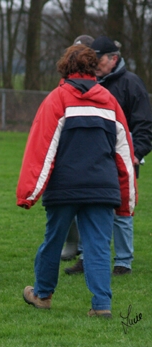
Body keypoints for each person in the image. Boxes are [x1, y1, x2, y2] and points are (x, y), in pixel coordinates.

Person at [17, 44, 137, 318]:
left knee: (53, 241)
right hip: (102, 189)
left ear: (65, 68)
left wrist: (28, 193)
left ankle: (43, 295)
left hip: (65, 188)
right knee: (98, 246)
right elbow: (124, 156)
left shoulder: (57, 100)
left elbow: (41, 149)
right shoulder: (110, 101)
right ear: (93, 69)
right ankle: (101, 305)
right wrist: (127, 200)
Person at [65, 36, 152, 276]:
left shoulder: (132, 84)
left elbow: (145, 124)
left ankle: (123, 261)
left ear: (113, 59)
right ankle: (86, 257)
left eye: (98, 57)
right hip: (91, 160)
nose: (93, 62)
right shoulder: (88, 82)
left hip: (122, 159)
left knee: (122, 211)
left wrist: (135, 155)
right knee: (86, 206)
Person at [60, 34, 95, 261]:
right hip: (70, 149)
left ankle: (88, 252)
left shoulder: (105, 86)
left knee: (94, 207)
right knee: (68, 202)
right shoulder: (63, 89)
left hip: (94, 151)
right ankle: (72, 242)